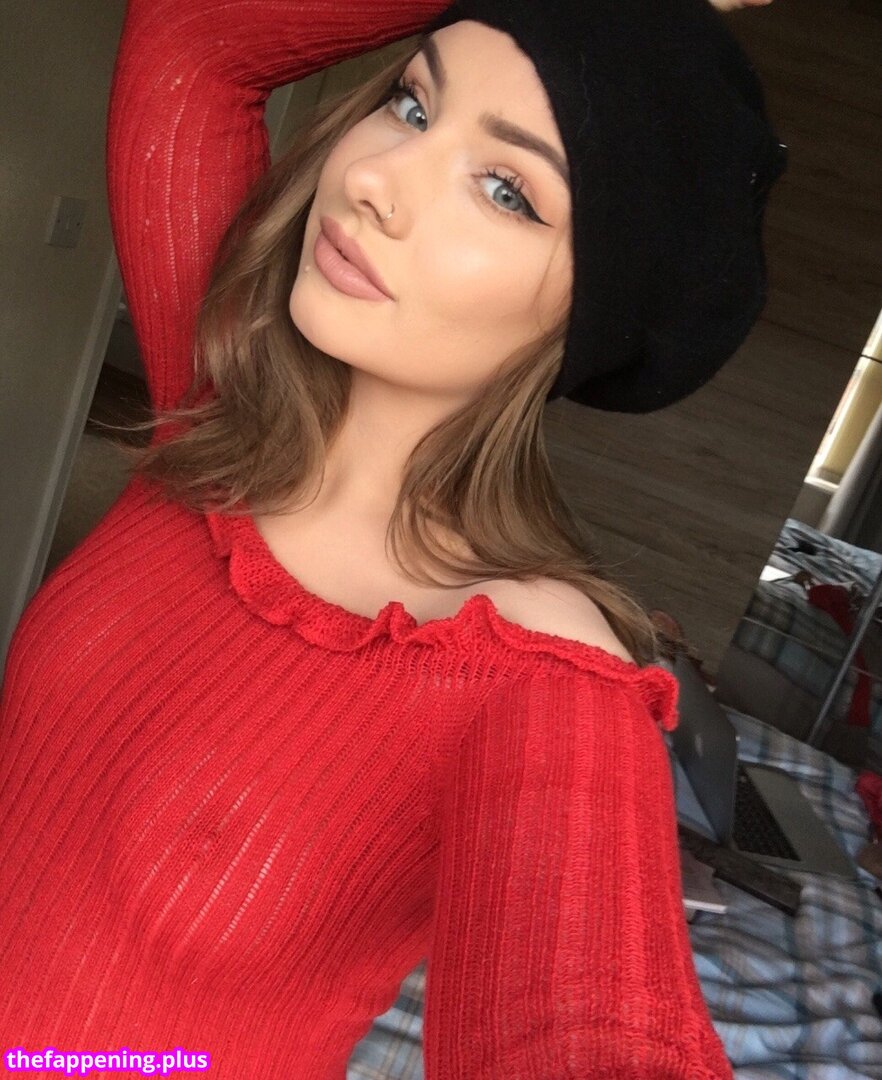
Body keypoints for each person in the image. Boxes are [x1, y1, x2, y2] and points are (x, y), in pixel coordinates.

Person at [0, 1, 784, 1076]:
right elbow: (193, 42)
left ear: (591, 311)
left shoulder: (546, 681)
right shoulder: (218, 408)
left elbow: (591, 1036)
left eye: (506, 190)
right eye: (414, 105)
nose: (374, 178)